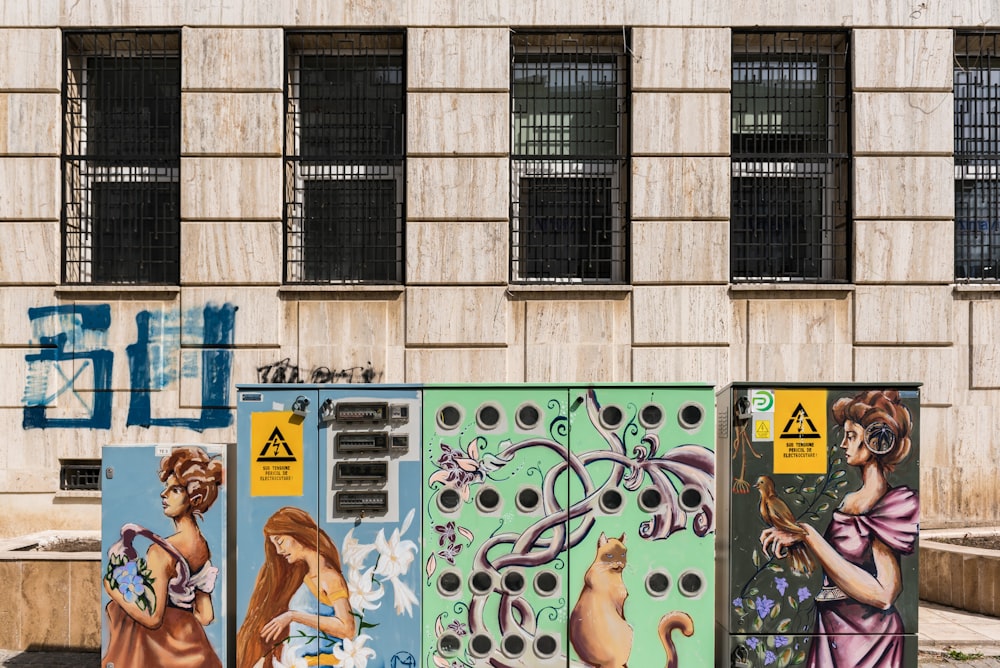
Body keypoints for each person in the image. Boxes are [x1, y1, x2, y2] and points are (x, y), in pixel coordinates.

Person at [760, 389, 919, 668]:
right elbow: (841, 564)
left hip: (869, 639)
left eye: (852, 436)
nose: (843, 444)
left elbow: (884, 594)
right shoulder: (849, 500)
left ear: (877, 442)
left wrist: (808, 534)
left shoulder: (888, 505)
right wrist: (798, 538)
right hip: (835, 628)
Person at [102, 446, 225, 668]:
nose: (163, 494)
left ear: (194, 498)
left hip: (160, 651)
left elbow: (152, 618)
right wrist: (181, 617)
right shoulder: (202, 546)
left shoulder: (160, 552)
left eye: (175, 490)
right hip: (193, 646)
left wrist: (113, 591)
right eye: (166, 488)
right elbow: (205, 616)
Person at [237, 507, 356, 668]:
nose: (279, 551)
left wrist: (293, 616)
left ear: (296, 533)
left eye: (280, 541)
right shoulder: (307, 577)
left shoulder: (329, 576)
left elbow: (347, 628)